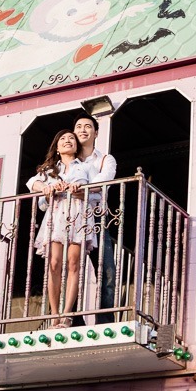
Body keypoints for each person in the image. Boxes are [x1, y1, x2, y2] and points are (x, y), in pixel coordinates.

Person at [27, 130, 95, 328]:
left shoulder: (86, 167)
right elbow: (32, 183)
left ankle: (67, 315)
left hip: (78, 214)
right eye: (63, 139)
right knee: (54, 263)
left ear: (77, 146)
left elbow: (98, 192)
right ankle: (54, 314)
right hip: (56, 215)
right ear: (57, 147)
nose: (67, 141)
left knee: (74, 263)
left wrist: (81, 191)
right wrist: (47, 188)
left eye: (71, 139)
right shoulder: (50, 170)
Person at [73, 111, 117, 324]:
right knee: (69, 269)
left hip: (96, 219)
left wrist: (83, 189)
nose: (83, 129)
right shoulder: (65, 159)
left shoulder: (105, 159)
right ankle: (73, 319)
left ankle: (105, 320)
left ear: (96, 132)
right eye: (79, 126)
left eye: (87, 126)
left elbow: (104, 179)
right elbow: (40, 178)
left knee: (107, 271)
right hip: (71, 218)